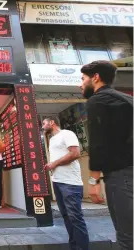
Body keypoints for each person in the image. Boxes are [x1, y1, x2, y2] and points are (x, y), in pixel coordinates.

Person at [80, 60, 133, 250]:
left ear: (96, 78)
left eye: (83, 78)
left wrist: (94, 181)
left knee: (127, 237)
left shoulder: (98, 100)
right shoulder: (127, 99)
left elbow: (98, 142)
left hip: (121, 175)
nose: (81, 84)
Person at [42, 117, 89, 250]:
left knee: (75, 218)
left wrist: (54, 164)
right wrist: (52, 167)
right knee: (67, 217)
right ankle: (74, 247)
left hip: (70, 184)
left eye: (44, 123)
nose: (43, 126)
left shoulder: (67, 134)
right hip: (57, 182)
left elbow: (75, 153)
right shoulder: (51, 140)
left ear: (52, 122)